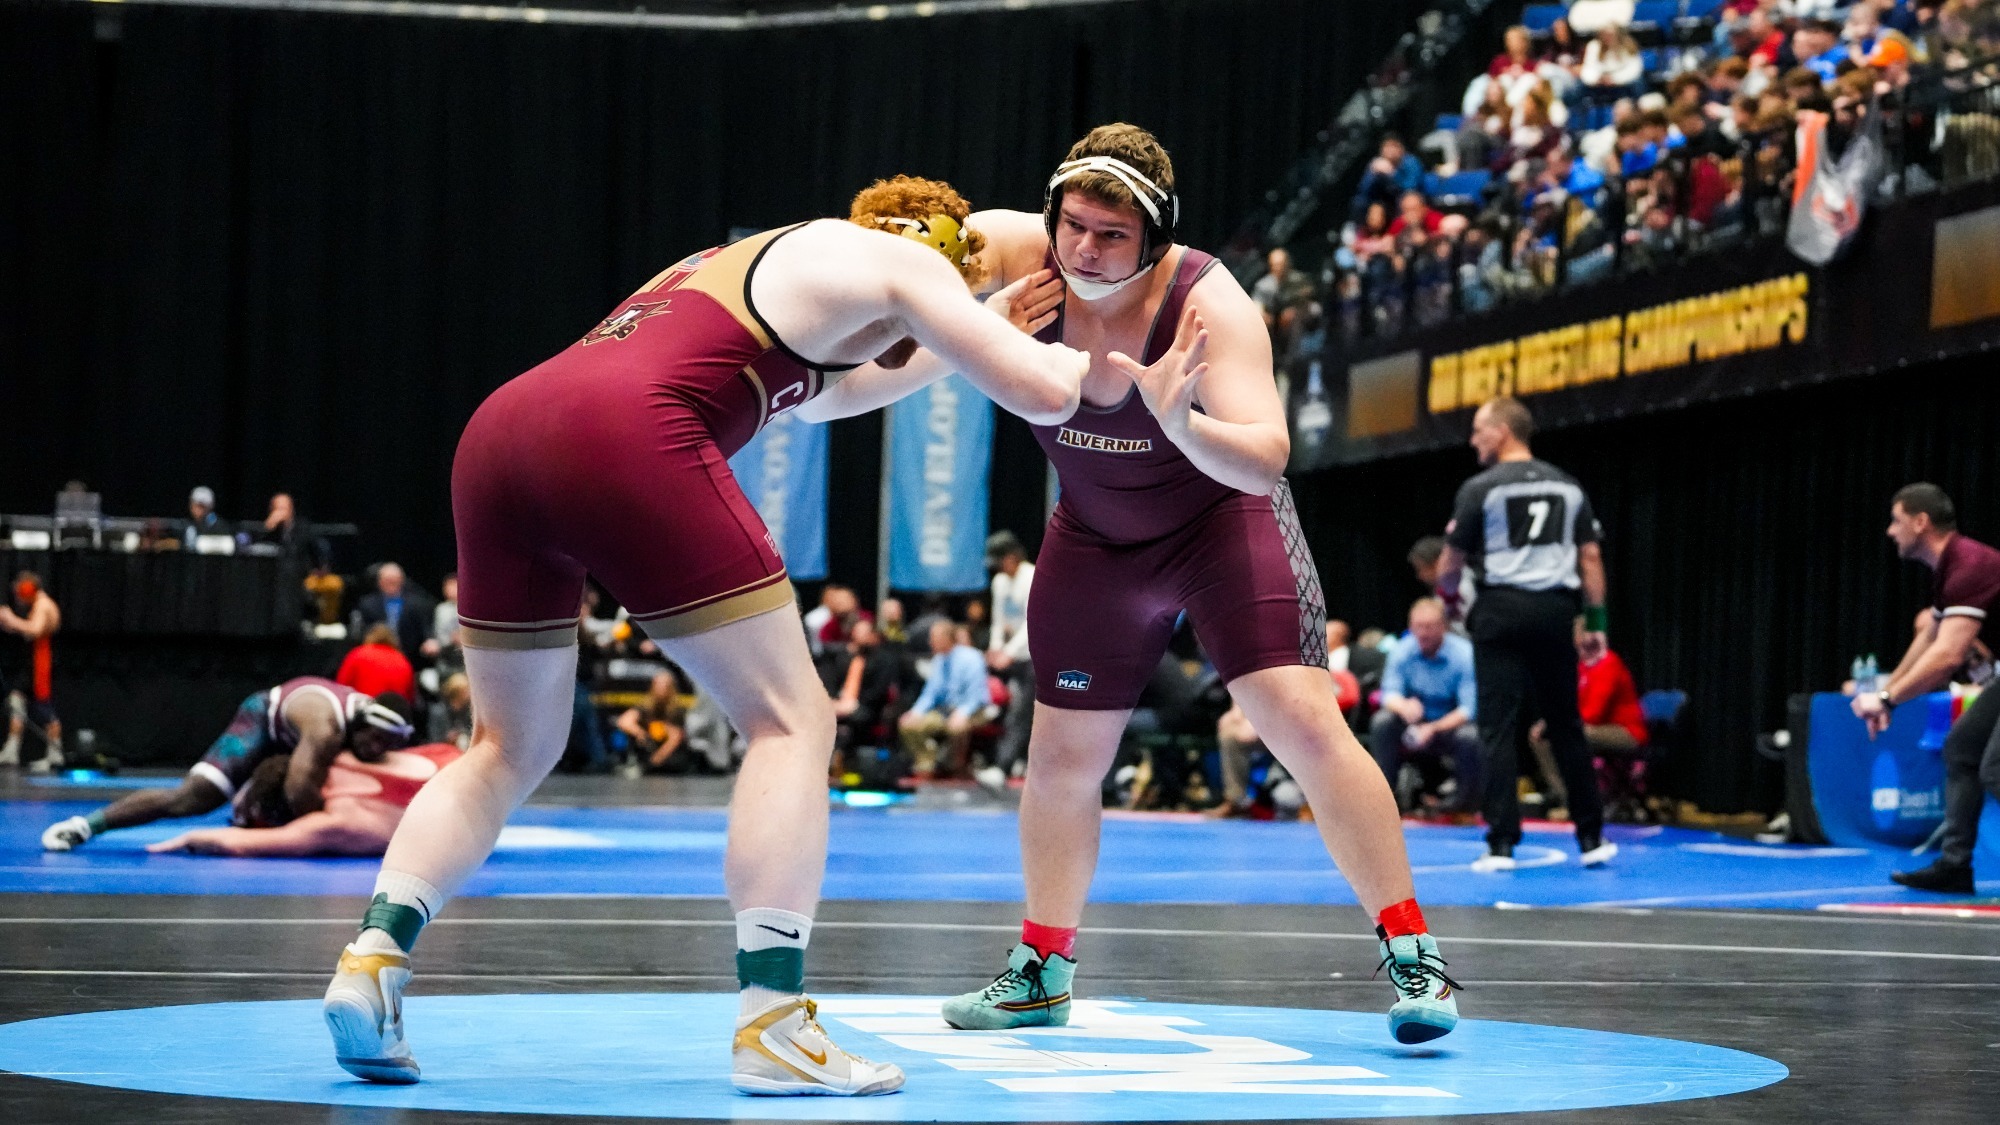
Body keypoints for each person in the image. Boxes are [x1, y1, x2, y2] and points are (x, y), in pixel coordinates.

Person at [319, 175, 1087, 1097]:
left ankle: (371, 961)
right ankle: (772, 1021)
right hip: (625, 435)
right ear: (942, 256)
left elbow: (826, 398)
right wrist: (1122, 372)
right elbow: (1043, 390)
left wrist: (967, 326)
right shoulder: (907, 261)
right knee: (793, 719)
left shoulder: (750, 261)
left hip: (504, 432)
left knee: (506, 745)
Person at [950, 123, 1458, 1044]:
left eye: (1112, 234)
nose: (1086, 250)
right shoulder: (1022, 254)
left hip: (1220, 523)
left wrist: (1179, 421)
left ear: (1155, 232)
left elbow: (1264, 460)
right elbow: (896, 270)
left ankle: (1413, 954)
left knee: (1302, 723)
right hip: (1096, 536)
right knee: (1061, 758)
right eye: (1074, 226)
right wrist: (971, 335)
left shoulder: (1207, 302)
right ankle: (1042, 970)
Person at [1436, 396, 1613, 872]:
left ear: (1503, 431)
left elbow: (1450, 563)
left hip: (1500, 610)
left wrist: (1448, 602)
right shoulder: (1568, 487)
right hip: (1555, 611)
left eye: (1478, 430)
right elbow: (1590, 557)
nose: (1473, 440)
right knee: (1565, 724)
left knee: (1498, 726)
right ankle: (1592, 837)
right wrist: (1594, 622)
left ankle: (1501, 845)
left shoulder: (1481, 489)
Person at [41, 677, 414, 851]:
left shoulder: (368, 722)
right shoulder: (327, 730)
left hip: (291, 742)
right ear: (361, 721)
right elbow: (300, 789)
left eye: (387, 745)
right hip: (262, 722)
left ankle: (251, 802)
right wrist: (323, 834)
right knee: (191, 799)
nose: (376, 749)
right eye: (375, 739)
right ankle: (85, 826)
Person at [1853, 483, 2000, 893]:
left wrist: (1886, 698)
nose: (1889, 531)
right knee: (1963, 749)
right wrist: (1889, 696)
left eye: (1896, 521)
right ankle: (1955, 865)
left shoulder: (1969, 565)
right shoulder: (1950, 569)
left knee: (1995, 767)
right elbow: (1929, 640)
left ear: (1920, 523)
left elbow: (1948, 657)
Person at [146, 743, 464, 857]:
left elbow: (242, 843)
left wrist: (189, 835)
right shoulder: (335, 754)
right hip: (445, 759)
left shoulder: (333, 822)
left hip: (466, 805)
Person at [1370, 599, 1481, 815]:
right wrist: (1403, 706)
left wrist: (1433, 728)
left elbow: (1469, 709)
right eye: (1417, 627)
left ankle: (1464, 805)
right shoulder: (1402, 650)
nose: (1422, 633)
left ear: (1443, 627)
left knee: (1471, 736)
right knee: (1383, 722)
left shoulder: (1464, 654)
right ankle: (1385, 799)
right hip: (1413, 725)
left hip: (1448, 727)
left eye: (1429, 627)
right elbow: (1388, 694)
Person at [979, 530, 1037, 789]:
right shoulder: (1000, 582)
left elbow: (1032, 622)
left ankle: (1003, 767)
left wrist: (1008, 653)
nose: (997, 569)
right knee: (1008, 710)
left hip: (1036, 656)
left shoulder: (1033, 577)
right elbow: (998, 621)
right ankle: (1015, 761)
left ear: (1012, 557)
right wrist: (995, 648)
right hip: (1013, 658)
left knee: (1022, 713)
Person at [897, 621, 992, 778]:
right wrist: (915, 712)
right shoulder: (939, 660)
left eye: (933, 638)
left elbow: (975, 696)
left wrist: (962, 713)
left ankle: (956, 767)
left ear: (947, 638)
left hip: (974, 710)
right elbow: (930, 694)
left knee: (957, 727)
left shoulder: (972, 657)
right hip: (945, 711)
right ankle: (927, 761)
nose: (930, 642)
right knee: (908, 725)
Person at [0, 572, 62, 771]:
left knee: (43, 706)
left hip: (39, 661)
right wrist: (10, 623)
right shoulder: (38, 604)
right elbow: (26, 629)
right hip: (31, 660)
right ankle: (11, 750)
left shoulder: (43, 605)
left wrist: (11, 618)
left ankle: (55, 754)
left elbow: (35, 630)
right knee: (16, 700)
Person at [352, 563, 436, 660]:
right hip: (376, 655)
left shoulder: (417, 604)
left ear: (402, 580)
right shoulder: (367, 604)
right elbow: (361, 631)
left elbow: (426, 627)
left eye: (394, 580)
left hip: (410, 655)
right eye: (387, 580)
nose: (391, 583)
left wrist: (429, 640)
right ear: (379, 581)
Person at [615, 671, 688, 772]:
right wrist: (640, 733)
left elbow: (675, 738)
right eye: (658, 685)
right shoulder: (646, 706)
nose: (661, 689)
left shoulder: (676, 710)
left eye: (665, 686)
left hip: (667, 756)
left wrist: (657, 758)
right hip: (647, 747)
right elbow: (624, 721)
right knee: (620, 738)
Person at [336, 624, 418, 703]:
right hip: (392, 713)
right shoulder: (403, 661)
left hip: (362, 709)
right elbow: (410, 698)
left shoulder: (358, 654)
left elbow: (341, 687)